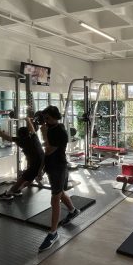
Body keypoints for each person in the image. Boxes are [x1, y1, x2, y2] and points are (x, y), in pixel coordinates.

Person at [38, 105, 80, 252]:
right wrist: (41, 169)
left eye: (47, 117)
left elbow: (48, 150)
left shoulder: (60, 132)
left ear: (54, 116)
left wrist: (44, 134)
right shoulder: (50, 128)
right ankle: (73, 210)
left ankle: (53, 233)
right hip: (51, 167)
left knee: (55, 198)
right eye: (45, 118)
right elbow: (46, 152)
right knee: (60, 192)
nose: (45, 120)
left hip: (59, 168)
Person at [0, 117, 44, 201]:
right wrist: (28, 120)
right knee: (29, 178)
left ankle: (9, 193)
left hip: (36, 164)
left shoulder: (21, 141)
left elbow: (1, 134)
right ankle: (18, 190)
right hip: (44, 161)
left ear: (19, 136)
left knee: (23, 178)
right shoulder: (34, 137)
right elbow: (31, 129)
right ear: (28, 133)